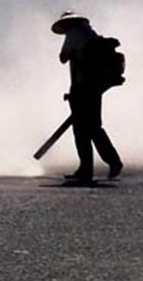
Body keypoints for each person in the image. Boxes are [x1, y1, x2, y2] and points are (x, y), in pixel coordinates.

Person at [52, 11, 123, 182]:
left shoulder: (73, 34)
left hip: (81, 87)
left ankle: (86, 169)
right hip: (95, 87)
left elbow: (63, 57)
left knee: (81, 131)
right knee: (95, 127)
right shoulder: (91, 35)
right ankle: (113, 161)